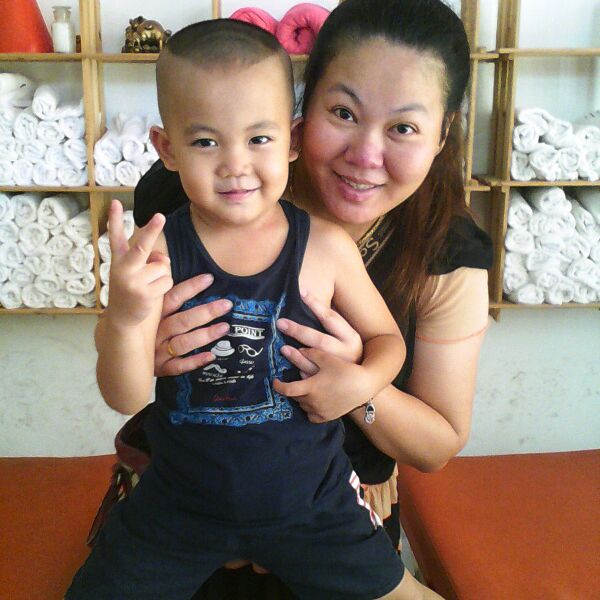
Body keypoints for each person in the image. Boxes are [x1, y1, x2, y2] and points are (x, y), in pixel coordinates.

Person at [103, 0, 494, 597]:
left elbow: (435, 444)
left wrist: (360, 391)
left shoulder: (439, 249)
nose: (365, 155)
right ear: (304, 113)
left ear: (443, 134)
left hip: (323, 507)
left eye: (403, 127)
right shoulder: (178, 209)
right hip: (186, 500)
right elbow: (124, 387)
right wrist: (135, 334)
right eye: (344, 112)